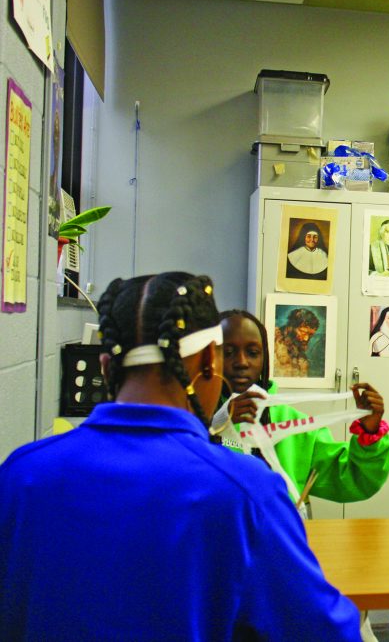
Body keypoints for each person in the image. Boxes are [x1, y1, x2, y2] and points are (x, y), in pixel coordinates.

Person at [0, 272, 360, 640]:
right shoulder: (247, 493)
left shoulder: (20, 475)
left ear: (106, 367)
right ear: (210, 362)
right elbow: (325, 632)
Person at [219, 310, 389, 504]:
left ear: (265, 360)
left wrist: (370, 431)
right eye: (228, 353)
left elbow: (354, 479)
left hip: (278, 533)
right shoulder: (194, 418)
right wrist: (219, 425)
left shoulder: (294, 426)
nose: (242, 362)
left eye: (253, 353)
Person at [275, 306, 321, 377]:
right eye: (303, 332)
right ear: (290, 327)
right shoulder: (273, 340)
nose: (306, 339)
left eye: (310, 335)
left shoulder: (301, 355)